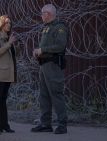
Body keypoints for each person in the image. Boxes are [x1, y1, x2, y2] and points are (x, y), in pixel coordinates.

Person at [31, 4, 68, 134]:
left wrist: (43, 50)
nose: (41, 16)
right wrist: (38, 52)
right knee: (44, 95)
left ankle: (62, 124)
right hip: (44, 65)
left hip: (53, 65)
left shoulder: (59, 27)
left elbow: (60, 46)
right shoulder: (47, 28)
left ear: (48, 14)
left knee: (56, 94)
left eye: (42, 13)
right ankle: (46, 123)